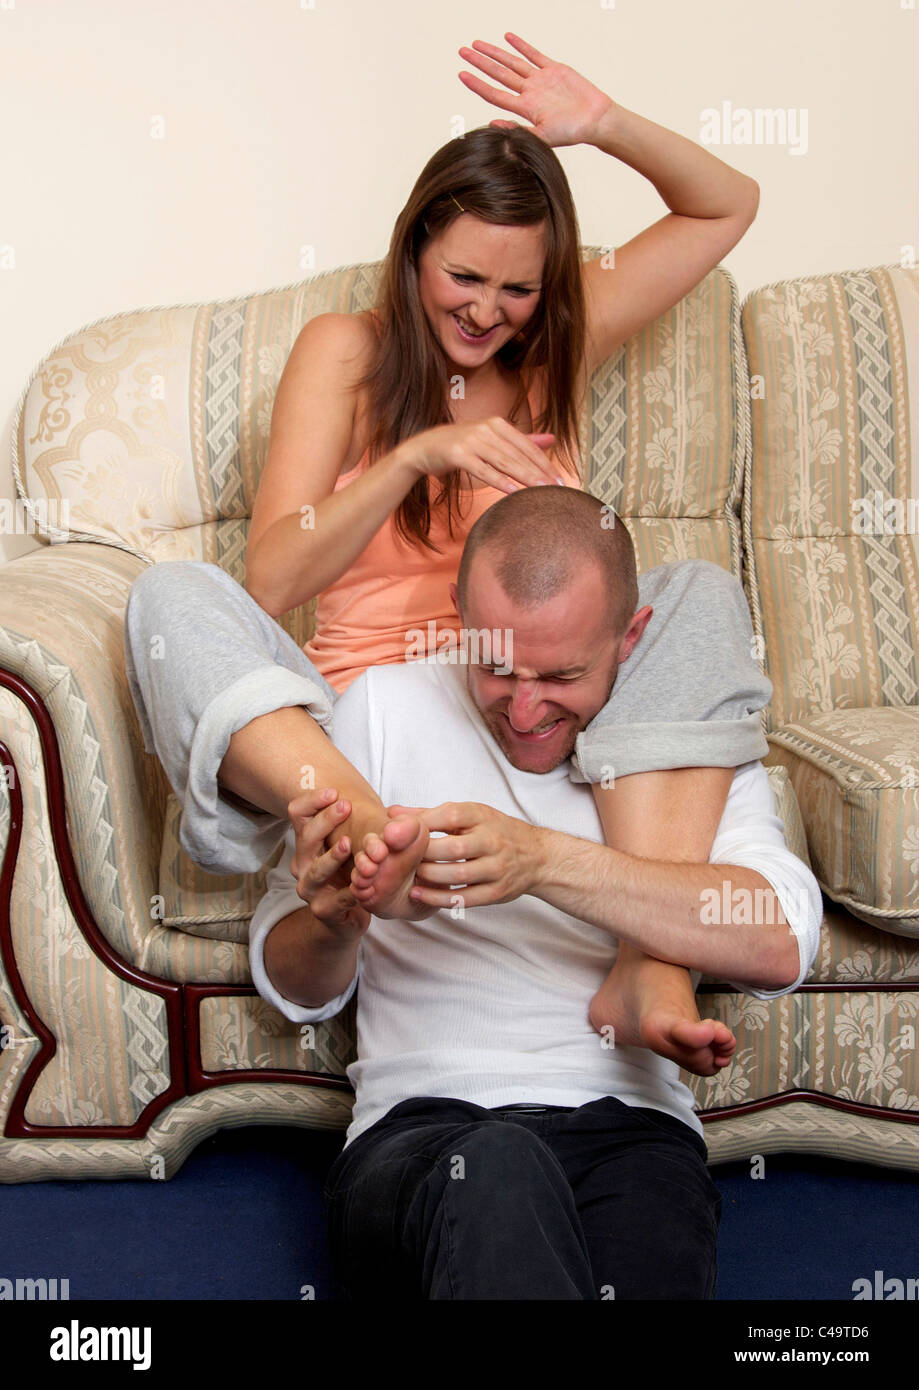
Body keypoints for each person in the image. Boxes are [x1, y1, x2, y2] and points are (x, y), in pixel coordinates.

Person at [124, 30, 770, 1076]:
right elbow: (270, 582)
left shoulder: (553, 352)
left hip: (521, 709)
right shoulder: (347, 352)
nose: (485, 311)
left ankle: (650, 956)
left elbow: (725, 203)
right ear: (414, 249)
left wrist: (599, 122)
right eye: (463, 276)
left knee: (695, 589)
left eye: (517, 290)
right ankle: (378, 842)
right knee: (170, 598)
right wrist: (414, 454)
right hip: (368, 730)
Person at [248, 488, 822, 1301]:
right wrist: (335, 921)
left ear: (630, 636)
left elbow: (778, 938)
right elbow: (291, 987)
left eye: (562, 675)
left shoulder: (683, 744)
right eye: (494, 668)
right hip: (422, 1132)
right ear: (459, 613)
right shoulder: (382, 707)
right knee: (499, 1165)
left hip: (632, 1131)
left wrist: (546, 863)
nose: (523, 711)